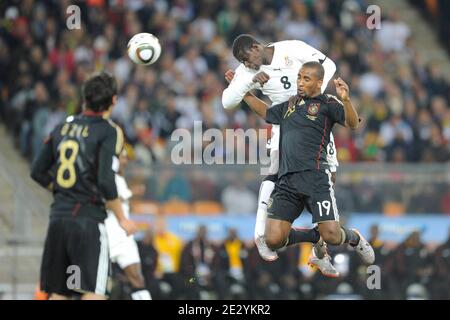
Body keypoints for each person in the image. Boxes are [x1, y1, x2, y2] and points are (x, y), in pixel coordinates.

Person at [238, 61, 375, 268]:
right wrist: (245, 94)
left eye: (306, 79)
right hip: (287, 181)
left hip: (316, 178)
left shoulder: (327, 102)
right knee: (273, 239)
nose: (300, 82)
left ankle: (353, 237)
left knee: (331, 234)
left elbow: (353, 124)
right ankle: (313, 236)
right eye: (299, 77)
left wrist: (346, 100)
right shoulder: (290, 105)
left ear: (319, 82)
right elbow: (267, 113)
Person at [222, 34, 338, 275]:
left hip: (316, 124)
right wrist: (249, 82)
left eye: (247, 58)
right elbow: (227, 101)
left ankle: (320, 251)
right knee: (273, 171)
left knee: (327, 182)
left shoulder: (291, 48)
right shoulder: (247, 72)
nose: (246, 64)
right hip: (283, 126)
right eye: (242, 62)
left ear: (257, 47)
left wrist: (312, 95)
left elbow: (329, 65)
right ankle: (259, 235)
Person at [31, 71, 137, 300]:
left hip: (58, 219)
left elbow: (37, 171)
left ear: (84, 98)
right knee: (93, 291)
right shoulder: (108, 130)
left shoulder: (61, 127)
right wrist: (123, 219)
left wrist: (62, 189)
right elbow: (105, 180)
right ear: (114, 101)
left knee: (60, 292)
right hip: (87, 222)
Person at [104, 148, 151, 300]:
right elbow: (105, 202)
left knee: (137, 278)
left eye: (126, 158)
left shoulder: (121, 179)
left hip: (124, 237)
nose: (125, 161)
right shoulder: (105, 179)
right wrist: (130, 193)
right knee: (97, 283)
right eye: (122, 158)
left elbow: (121, 203)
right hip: (107, 236)